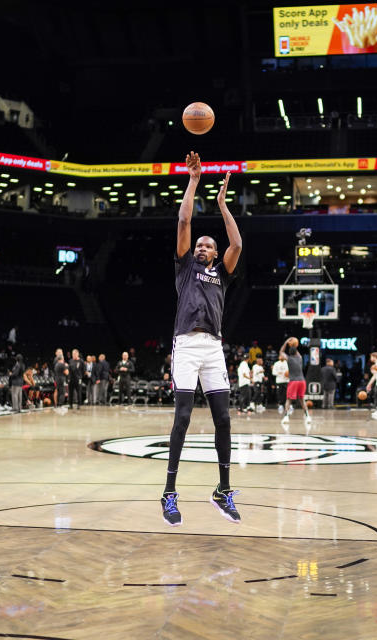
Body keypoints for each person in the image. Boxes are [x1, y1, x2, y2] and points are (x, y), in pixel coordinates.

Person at [161, 153, 242, 528]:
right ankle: (169, 493)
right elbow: (183, 220)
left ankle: (223, 490)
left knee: (223, 418)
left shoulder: (222, 273)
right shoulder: (185, 268)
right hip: (186, 344)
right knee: (182, 417)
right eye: (200, 246)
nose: (202, 248)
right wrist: (193, 181)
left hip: (213, 346)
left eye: (208, 246)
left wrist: (224, 205)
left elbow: (237, 244)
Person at [279, 337, 311, 431]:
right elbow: (296, 352)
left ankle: (286, 417)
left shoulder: (288, 359)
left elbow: (281, 351)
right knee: (302, 400)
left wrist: (286, 342)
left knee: (289, 400)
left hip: (293, 381)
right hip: (302, 381)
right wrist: (294, 346)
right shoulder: (300, 358)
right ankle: (307, 416)